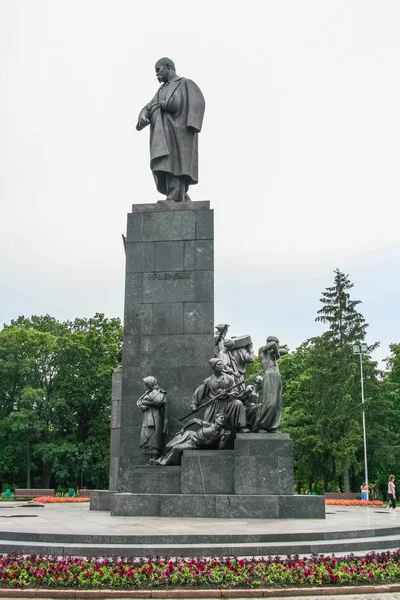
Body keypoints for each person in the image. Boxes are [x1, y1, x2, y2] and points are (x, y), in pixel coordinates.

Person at [136, 57, 206, 203]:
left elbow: (198, 102)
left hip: (179, 132)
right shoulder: (161, 90)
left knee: (176, 163)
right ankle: (180, 196)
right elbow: (149, 106)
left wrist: (176, 107)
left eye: (158, 69)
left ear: (168, 67)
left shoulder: (184, 83)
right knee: (166, 163)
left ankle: (175, 195)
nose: (156, 74)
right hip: (163, 134)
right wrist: (143, 114)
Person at [191, 358, 249, 432]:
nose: (221, 366)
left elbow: (235, 392)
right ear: (214, 367)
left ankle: (242, 427)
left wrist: (228, 394)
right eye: (219, 364)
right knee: (206, 425)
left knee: (238, 403)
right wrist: (194, 405)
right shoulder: (208, 381)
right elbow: (199, 392)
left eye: (222, 364)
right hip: (214, 404)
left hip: (227, 403)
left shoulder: (229, 378)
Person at [155, 413, 231, 466]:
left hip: (195, 443)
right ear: (216, 418)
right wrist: (183, 428)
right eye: (221, 417)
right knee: (168, 446)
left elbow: (220, 447)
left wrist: (226, 438)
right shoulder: (208, 424)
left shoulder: (223, 432)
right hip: (189, 434)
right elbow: (194, 420)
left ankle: (164, 462)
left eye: (225, 418)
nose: (223, 419)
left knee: (176, 448)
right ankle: (161, 458)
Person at [253, 336, 288, 433]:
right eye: (276, 343)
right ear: (268, 342)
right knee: (270, 403)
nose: (277, 345)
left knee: (277, 404)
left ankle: (273, 427)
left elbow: (286, 351)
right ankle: (261, 425)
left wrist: (276, 353)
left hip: (277, 377)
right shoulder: (262, 350)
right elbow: (273, 345)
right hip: (268, 375)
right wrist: (276, 351)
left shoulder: (272, 353)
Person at [137, 376, 168, 457]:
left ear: (150, 383)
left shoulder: (159, 392)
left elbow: (159, 401)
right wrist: (142, 405)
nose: (145, 386)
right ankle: (151, 457)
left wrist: (146, 402)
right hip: (147, 417)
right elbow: (140, 402)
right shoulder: (147, 392)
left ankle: (155, 457)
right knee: (147, 435)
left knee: (154, 436)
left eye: (146, 384)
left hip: (155, 416)